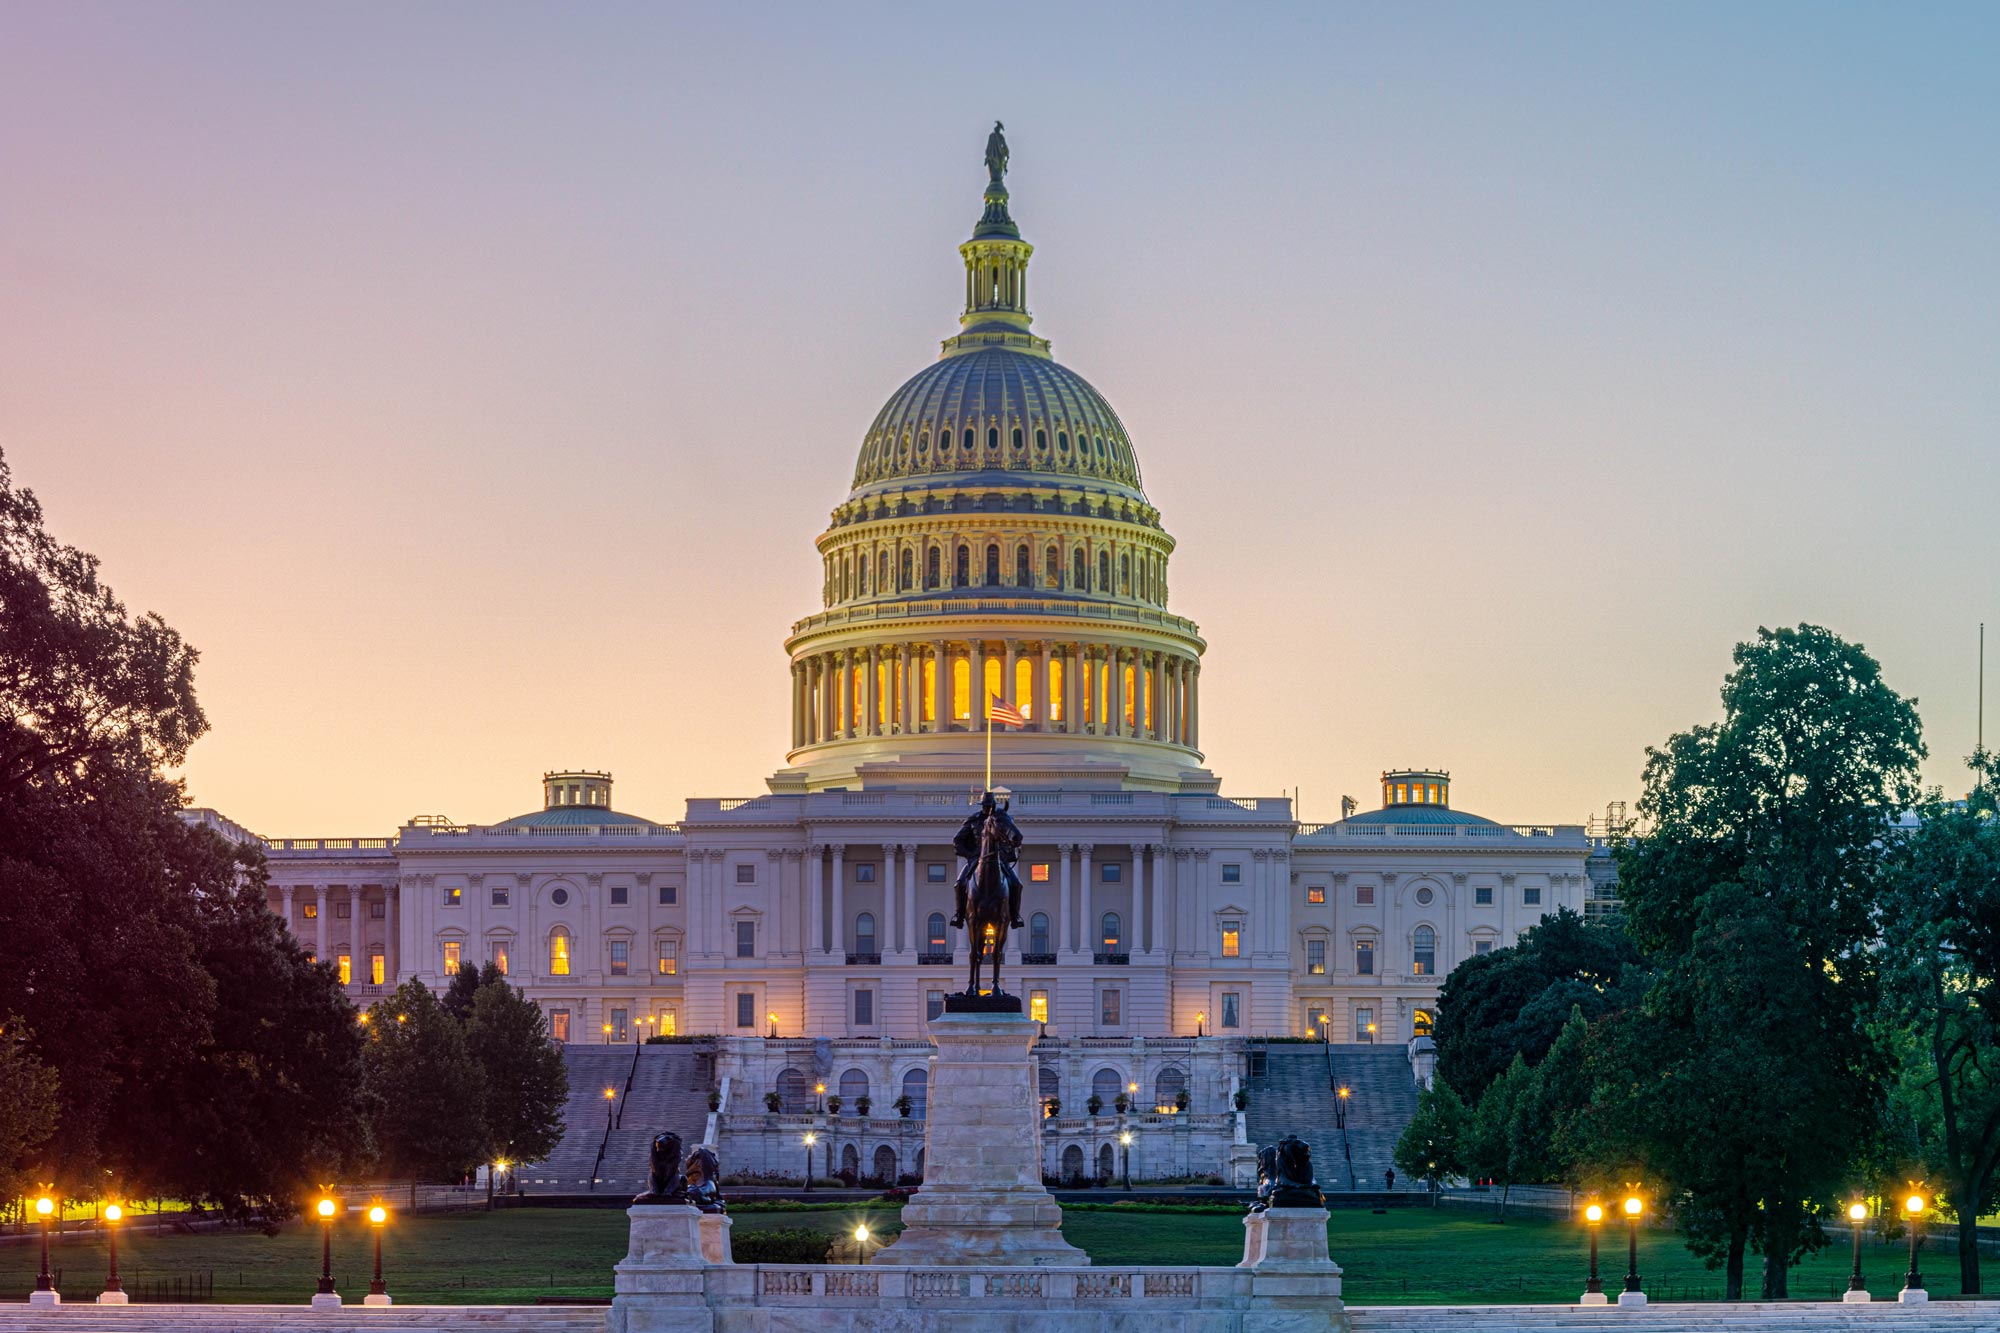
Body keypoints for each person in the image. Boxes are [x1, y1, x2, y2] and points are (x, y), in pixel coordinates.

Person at [952, 789, 1024, 929]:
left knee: (1016, 884)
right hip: (975, 860)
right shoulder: (973, 820)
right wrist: (970, 854)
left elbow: (1011, 837)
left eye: (990, 805)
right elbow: (957, 841)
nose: (988, 808)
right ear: (982, 806)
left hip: (999, 860)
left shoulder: (1001, 821)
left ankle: (1015, 916)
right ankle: (959, 915)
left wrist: (1010, 848)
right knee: (959, 884)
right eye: (985, 805)